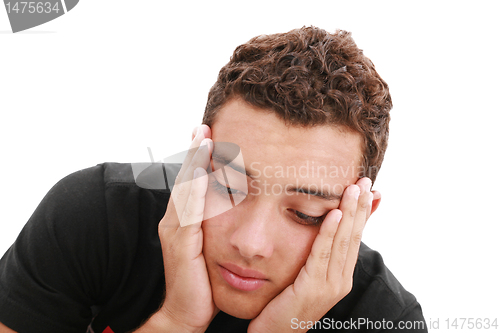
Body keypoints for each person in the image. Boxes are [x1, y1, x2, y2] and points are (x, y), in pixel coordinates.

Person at [0, 26, 427, 332]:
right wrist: (176, 322)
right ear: (196, 163)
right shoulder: (94, 217)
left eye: (305, 214)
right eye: (227, 185)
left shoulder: (384, 316)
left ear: (359, 215)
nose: (251, 243)